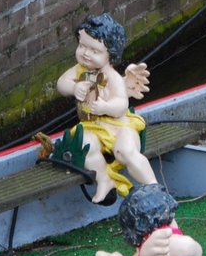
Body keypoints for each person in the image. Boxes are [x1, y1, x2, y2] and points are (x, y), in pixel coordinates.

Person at [55, 13, 157, 204]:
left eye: (94, 51)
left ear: (110, 54)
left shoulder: (112, 77)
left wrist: (105, 107)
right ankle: (104, 179)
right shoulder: (79, 70)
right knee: (85, 146)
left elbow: (121, 105)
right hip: (93, 127)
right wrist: (74, 87)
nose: (86, 53)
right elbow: (61, 84)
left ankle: (154, 188)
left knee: (125, 152)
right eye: (82, 46)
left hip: (119, 127)